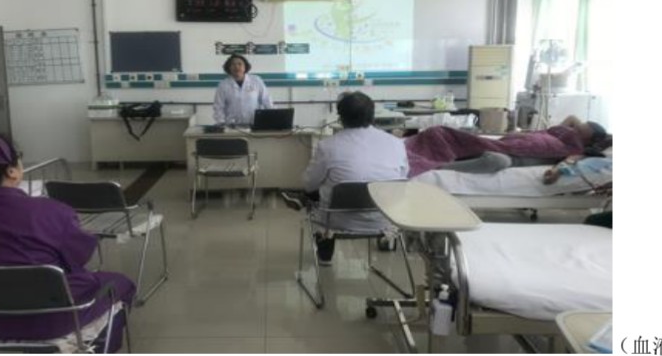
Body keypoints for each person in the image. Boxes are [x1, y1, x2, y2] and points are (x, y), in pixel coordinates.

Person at [0, 132, 136, 352]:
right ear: (12, 171)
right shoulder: (52, 212)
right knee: (121, 284)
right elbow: (79, 258)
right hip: (49, 320)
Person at [300, 91, 409, 265]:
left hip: (338, 221)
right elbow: (402, 179)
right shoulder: (396, 144)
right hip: (386, 219)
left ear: (340, 118)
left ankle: (325, 255)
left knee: (316, 192)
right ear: (372, 116)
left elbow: (309, 184)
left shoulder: (327, 146)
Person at [407, 115, 609, 177]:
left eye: (580, 132)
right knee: (438, 133)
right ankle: (432, 151)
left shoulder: (576, 149)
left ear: (588, 140)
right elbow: (572, 118)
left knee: (496, 161)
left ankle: (437, 167)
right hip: (502, 144)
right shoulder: (561, 132)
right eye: (577, 128)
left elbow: (570, 162)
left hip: (510, 157)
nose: (575, 130)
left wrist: (555, 172)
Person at [212, 54, 273, 126]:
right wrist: (221, 123)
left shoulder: (256, 80)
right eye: (233, 64)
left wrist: (273, 118)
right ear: (229, 68)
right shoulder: (223, 85)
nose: (236, 67)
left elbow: (267, 101)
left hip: (254, 123)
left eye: (239, 64)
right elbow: (218, 106)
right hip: (232, 126)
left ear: (245, 67)